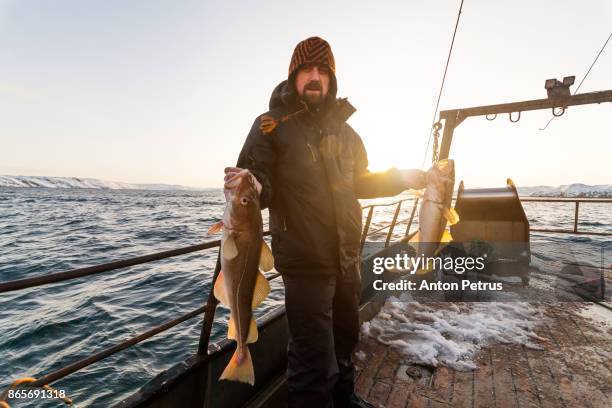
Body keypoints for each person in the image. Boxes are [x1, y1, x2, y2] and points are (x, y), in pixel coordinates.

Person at [224, 36, 426, 408]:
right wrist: (250, 182)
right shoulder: (270, 125)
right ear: (293, 76)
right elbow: (258, 184)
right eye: (306, 70)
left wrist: (402, 177)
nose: (315, 77)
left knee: (346, 343)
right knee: (313, 361)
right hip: (305, 262)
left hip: (347, 257)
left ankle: (344, 401)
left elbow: (361, 181)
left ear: (332, 78)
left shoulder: (347, 135)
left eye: (323, 70)